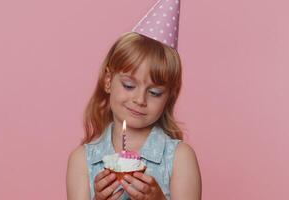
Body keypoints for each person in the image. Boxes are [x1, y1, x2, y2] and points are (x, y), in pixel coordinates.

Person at [67, 1, 201, 199]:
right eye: (129, 86)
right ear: (108, 81)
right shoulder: (82, 160)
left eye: (154, 92)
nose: (140, 99)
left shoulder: (179, 158)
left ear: (168, 97)